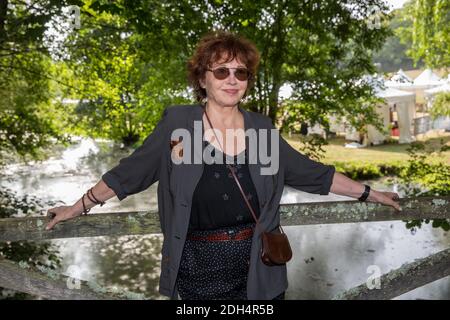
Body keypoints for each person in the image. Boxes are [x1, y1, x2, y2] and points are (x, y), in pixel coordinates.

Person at [46, 31, 401, 300]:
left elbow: (312, 174)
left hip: (258, 268)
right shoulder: (179, 126)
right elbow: (131, 172)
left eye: (241, 72)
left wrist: (370, 193)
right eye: (222, 71)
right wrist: (79, 206)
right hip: (197, 268)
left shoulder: (261, 130)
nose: (233, 79)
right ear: (203, 79)